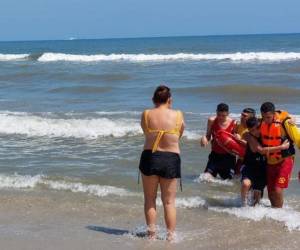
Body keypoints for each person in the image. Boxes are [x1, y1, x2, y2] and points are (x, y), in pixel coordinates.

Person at [139, 85, 185, 241]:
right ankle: (170, 237)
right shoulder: (178, 115)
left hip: (150, 156)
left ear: (153, 100)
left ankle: (151, 235)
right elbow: (179, 134)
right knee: (169, 202)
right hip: (171, 158)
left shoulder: (146, 114)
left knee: (150, 199)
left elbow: (147, 133)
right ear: (169, 100)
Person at [241, 117, 290, 206]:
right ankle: (242, 205)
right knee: (246, 184)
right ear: (249, 130)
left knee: (255, 203)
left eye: (257, 128)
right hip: (250, 166)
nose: (256, 131)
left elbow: (273, 118)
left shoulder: (265, 132)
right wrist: (281, 147)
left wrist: (289, 119)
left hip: (262, 168)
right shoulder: (250, 136)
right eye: (252, 130)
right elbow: (262, 150)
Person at [260, 102, 295, 208]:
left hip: (284, 160)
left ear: (274, 114)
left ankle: (280, 213)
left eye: (268, 117)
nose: (266, 119)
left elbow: (296, 137)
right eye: (264, 117)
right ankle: (274, 212)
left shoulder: (284, 122)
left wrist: (291, 118)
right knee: (270, 191)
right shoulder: (261, 122)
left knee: (278, 189)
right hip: (270, 162)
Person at [200, 103, 237, 180]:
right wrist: (204, 138)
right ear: (216, 112)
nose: (220, 117)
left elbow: (236, 141)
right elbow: (208, 135)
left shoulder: (234, 123)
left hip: (229, 157)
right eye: (218, 115)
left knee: (228, 183)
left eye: (223, 116)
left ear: (228, 113)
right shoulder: (211, 121)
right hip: (215, 156)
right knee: (205, 178)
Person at [234, 108, 256, 175]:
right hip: (240, 159)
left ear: (251, 118)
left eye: (244, 116)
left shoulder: (254, 129)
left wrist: (240, 140)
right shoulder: (238, 125)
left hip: (251, 160)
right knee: (235, 181)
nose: (241, 117)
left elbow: (255, 146)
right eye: (241, 115)